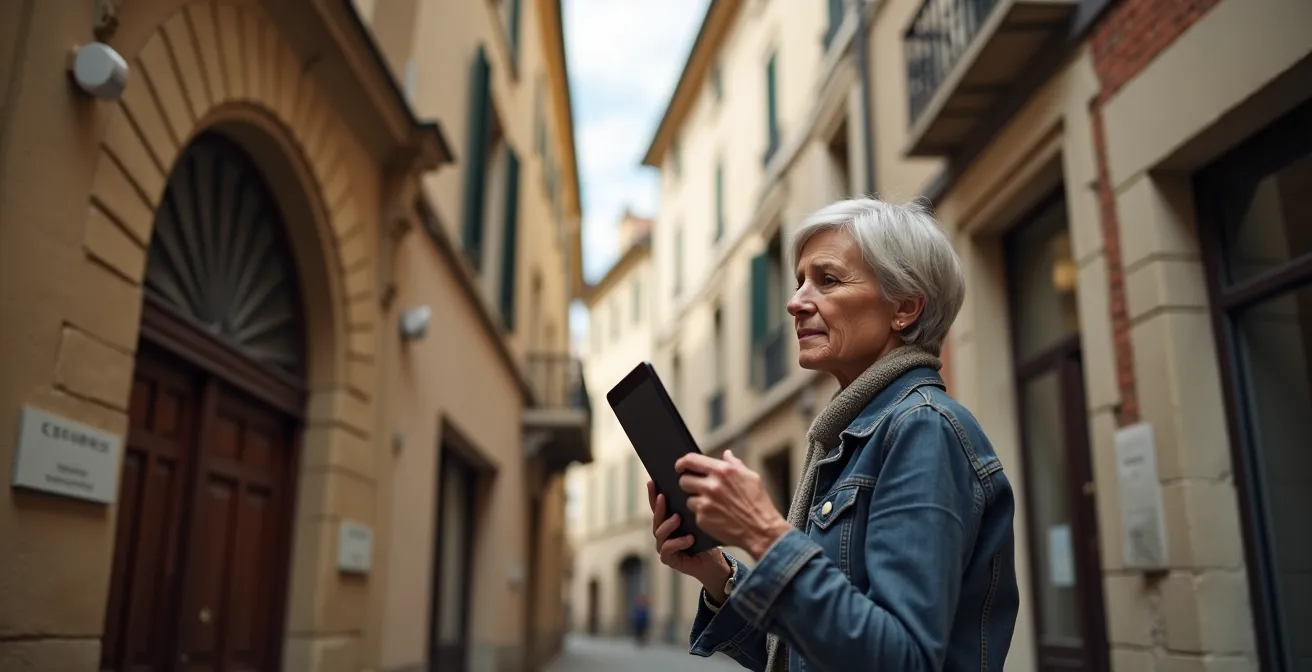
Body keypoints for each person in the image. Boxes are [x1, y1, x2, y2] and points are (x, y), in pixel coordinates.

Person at [647, 198, 1019, 671]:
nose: (795, 301)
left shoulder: (921, 428)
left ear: (904, 307)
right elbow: (807, 654)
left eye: (827, 279)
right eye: (800, 280)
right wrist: (719, 576)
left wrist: (765, 533)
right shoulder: (851, 437)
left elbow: (903, 660)